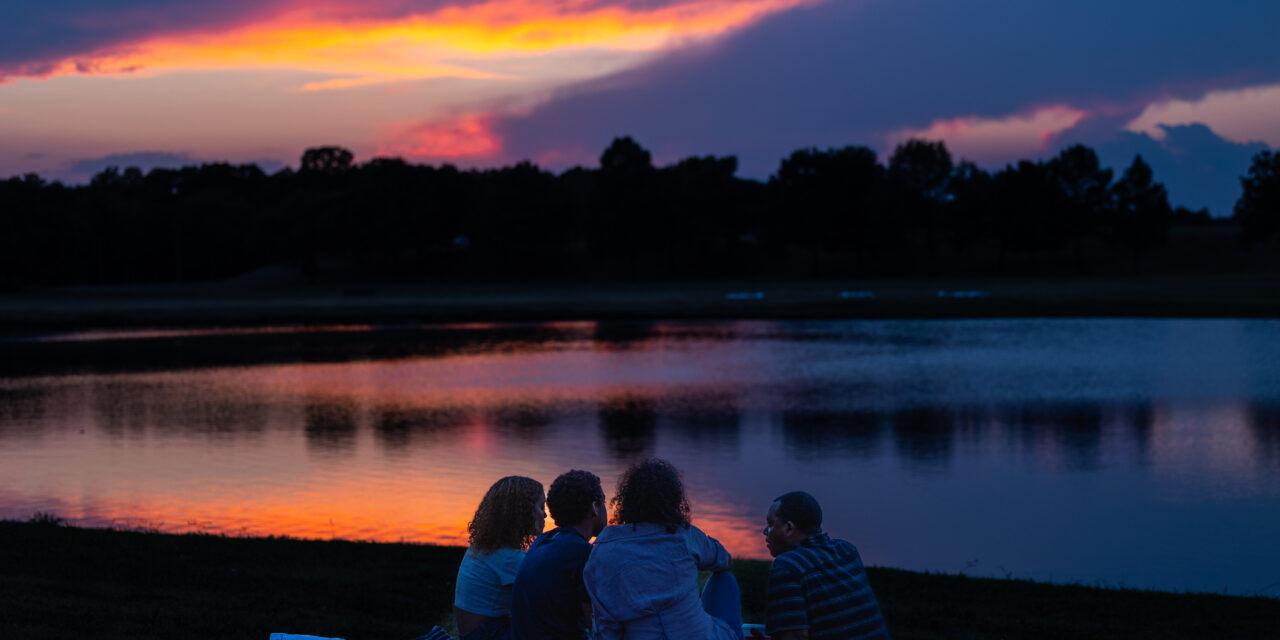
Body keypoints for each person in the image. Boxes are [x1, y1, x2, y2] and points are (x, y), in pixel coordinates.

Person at [583, 458, 741, 640]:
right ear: (674, 500)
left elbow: (606, 628)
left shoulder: (603, 550)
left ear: (627, 501)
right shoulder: (684, 535)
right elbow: (724, 560)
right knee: (724, 578)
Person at [760, 491, 889, 640]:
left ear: (789, 528)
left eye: (770, 524)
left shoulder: (787, 566)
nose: (765, 531)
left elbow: (795, 637)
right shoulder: (847, 550)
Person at [510, 470, 608, 640]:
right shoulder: (582, 552)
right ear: (594, 507)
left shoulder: (542, 541)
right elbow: (596, 623)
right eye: (604, 503)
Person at [454, 476, 547, 640]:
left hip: (473, 634)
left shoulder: (484, 547)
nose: (545, 515)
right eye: (540, 507)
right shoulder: (508, 558)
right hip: (489, 635)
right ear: (523, 513)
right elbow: (551, 589)